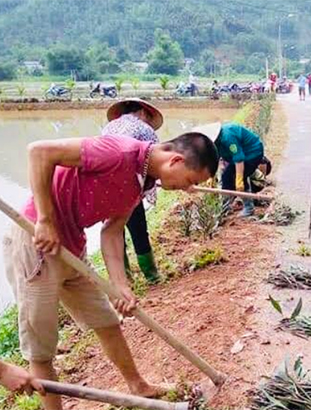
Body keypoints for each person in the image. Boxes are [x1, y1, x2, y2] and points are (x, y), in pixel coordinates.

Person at [3, 132, 219, 410]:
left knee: (107, 321)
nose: (186, 188)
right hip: (37, 244)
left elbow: (113, 232)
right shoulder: (118, 152)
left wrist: (121, 286)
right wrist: (45, 219)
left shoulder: (143, 181)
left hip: (72, 248)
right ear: (175, 160)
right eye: (190, 181)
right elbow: (38, 151)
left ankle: (138, 386)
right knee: (41, 350)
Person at [103, 98, 164, 284]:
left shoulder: (108, 128)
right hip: (128, 186)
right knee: (138, 229)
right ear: (143, 113)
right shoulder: (145, 129)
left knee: (113, 230)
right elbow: (156, 161)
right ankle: (152, 276)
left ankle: (124, 278)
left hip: (103, 187)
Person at [193, 122, 265, 217]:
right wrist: (211, 176)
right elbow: (215, 157)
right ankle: (225, 206)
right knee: (227, 177)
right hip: (240, 156)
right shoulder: (216, 143)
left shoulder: (227, 138)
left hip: (252, 153)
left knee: (238, 177)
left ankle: (248, 208)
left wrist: (239, 179)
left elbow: (239, 158)